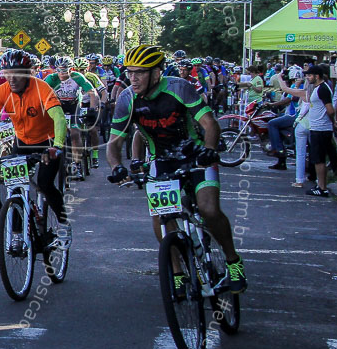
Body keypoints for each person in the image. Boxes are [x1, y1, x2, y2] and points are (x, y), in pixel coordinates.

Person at [105, 44, 246, 292]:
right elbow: (114, 143)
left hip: (196, 154)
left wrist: (210, 150)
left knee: (208, 209)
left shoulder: (179, 88)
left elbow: (209, 123)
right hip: (161, 160)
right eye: (129, 72)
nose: (133, 78)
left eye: (140, 72)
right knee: (162, 219)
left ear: (156, 73)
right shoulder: (127, 98)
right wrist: (117, 167)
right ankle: (178, 272)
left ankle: (233, 262)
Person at [0, 49, 70, 242]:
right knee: (15, 186)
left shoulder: (42, 88)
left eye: (17, 73)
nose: (12, 78)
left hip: (48, 143)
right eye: (7, 73)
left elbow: (59, 118)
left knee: (44, 183)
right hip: (23, 142)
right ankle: (17, 236)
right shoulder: (2, 91)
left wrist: (57, 145)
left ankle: (63, 225)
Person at [274, 65, 337, 196]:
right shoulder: (317, 89)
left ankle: (322, 187)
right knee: (318, 158)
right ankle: (321, 185)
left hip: (320, 128)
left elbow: (330, 110)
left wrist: (332, 121)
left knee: (319, 159)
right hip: (316, 127)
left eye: (309, 75)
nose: (307, 78)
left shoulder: (322, 89)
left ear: (317, 76)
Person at [45, 57, 100, 171]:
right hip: (59, 105)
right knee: (51, 133)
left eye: (65, 70)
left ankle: (77, 163)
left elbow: (92, 93)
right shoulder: (51, 78)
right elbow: (39, 93)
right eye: (59, 70)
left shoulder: (77, 77)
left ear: (71, 69)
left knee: (75, 134)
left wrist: (92, 109)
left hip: (74, 105)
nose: (61, 73)